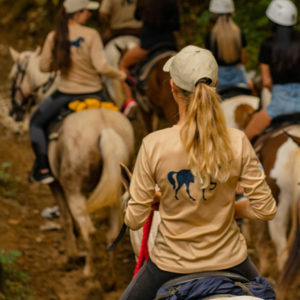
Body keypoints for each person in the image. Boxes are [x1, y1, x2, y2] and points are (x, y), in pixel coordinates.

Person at [120, 45, 277, 300]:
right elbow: (266, 209)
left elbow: (134, 220)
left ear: (172, 87)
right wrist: (225, 207)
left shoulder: (154, 144)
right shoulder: (237, 140)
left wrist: (166, 201)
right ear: (215, 84)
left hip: (170, 267)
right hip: (232, 261)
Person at [29, 0, 128, 184]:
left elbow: (43, 67)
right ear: (77, 13)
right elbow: (102, 67)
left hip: (66, 94)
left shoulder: (54, 36)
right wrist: (120, 75)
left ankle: (43, 168)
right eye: (86, 11)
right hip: (95, 93)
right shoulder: (91, 35)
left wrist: (61, 62)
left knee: (35, 123)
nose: (89, 15)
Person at [245, 0, 300, 141]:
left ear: (272, 21)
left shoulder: (268, 44)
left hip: (279, 104)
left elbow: (267, 81)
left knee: (245, 139)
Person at [119, 0, 180, 116]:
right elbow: (176, 25)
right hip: (169, 43)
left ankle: (129, 100)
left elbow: (137, 16)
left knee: (123, 64)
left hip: (148, 44)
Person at [205, 0, 249, 89]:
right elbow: (243, 59)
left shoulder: (210, 36)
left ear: (214, 14)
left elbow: (210, 62)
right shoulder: (239, 33)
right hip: (238, 74)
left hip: (219, 77)